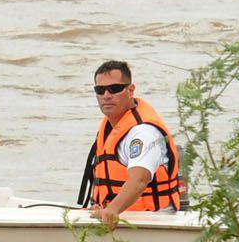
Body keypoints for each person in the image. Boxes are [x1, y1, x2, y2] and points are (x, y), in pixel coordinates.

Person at [76, 60, 181, 228]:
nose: (106, 95)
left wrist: (112, 210)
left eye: (115, 89)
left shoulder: (143, 133)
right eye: (100, 90)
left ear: (131, 90)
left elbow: (139, 180)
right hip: (122, 216)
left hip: (151, 221)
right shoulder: (111, 126)